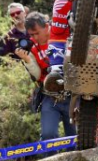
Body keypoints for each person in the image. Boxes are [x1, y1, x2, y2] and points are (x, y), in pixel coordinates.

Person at [16, 12, 73, 143]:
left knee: (74, 137)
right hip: (49, 95)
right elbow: (36, 75)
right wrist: (27, 60)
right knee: (48, 135)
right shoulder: (32, 47)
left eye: (37, 33)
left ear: (47, 26)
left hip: (72, 94)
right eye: (31, 35)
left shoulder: (62, 37)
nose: (35, 37)